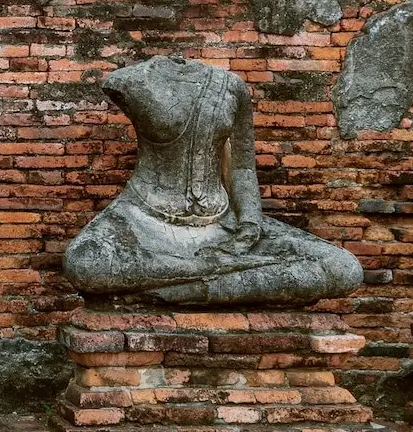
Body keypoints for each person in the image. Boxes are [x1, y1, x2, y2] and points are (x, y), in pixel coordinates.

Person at [63, 55, 362, 307]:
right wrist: (214, 264)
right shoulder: (134, 79)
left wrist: (249, 226)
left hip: (222, 225)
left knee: (344, 269)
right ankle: (216, 274)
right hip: (143, 219)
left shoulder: (230, 87)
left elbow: (243, 169)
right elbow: (83, 267)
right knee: (85, 263)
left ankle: (177, 292)